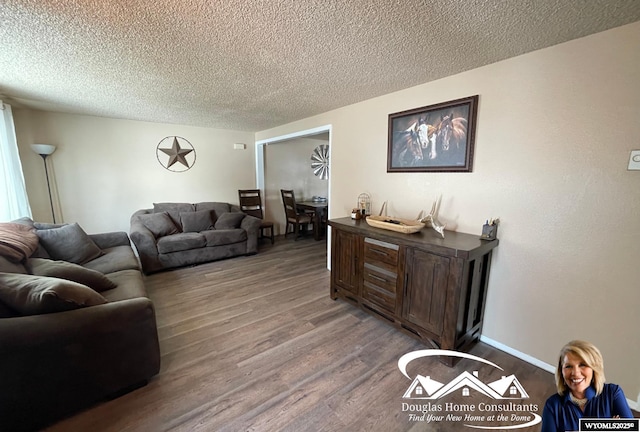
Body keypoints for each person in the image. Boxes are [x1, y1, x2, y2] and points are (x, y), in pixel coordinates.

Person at [541, 340, 633, 432]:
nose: (575, 373)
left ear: (594, 368)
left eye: (582, 365)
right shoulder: (553, 405)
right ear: (561, 371)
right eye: (568, 366)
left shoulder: (613, 393)